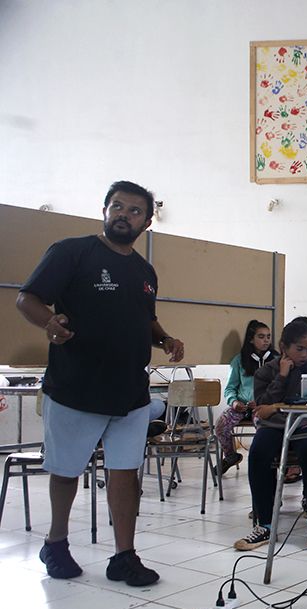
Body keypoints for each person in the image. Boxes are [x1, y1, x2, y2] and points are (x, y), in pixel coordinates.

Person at [16, 180, 185, 586]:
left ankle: (124, 556)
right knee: (67, 471)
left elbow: (144, 317)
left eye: (133, 211)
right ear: (105, 211)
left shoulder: (145, 271)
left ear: (146, 221)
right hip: (76, 387)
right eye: (117, 207)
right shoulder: (72, 251)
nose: (123, 215)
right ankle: (56, 543)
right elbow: (28, 298)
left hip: (130, 392)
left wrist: (163, 338)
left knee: (125, 472)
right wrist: (49, 322)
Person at [234, 320, 307, 551]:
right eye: (299, 349)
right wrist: (282, 377)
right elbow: (262, 405)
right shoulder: (266, 371)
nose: (304, 354)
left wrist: (279, 407)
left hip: (304, 425)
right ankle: (264, 523)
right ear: (284, 346)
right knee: (258, 453)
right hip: (275, 427)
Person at [217, 320, 277, 475]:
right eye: (261, 337)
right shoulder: (239, 360)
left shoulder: (277, 360)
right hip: (242, 407)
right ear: (251, 339)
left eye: (268, 337)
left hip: (263, 407)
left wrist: (263, 401)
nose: (266, 340)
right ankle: (230, 456)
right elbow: (230, 388)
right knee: (221, 425)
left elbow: (280, 389)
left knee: (263, 426)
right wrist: (234, 402)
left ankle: (268, 460)